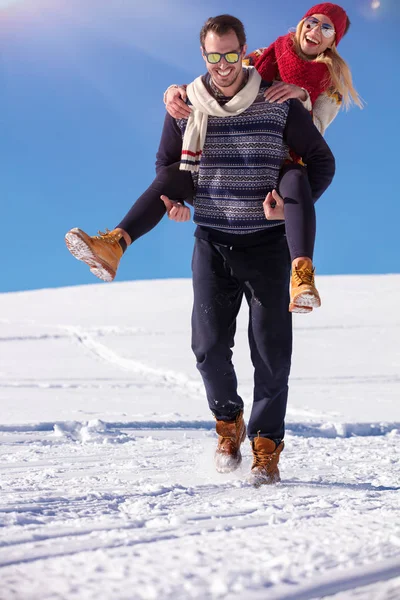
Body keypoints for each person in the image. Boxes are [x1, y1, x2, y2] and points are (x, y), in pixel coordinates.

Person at [65, 3, 359, 313]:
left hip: (278, 164)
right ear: (302, 24)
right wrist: (175, 91)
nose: (315, 31)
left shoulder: (330, 86)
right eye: (312, 22)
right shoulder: (263, 56)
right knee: (174, 174)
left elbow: (315, 133)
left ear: (333, 41)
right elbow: (222, 75)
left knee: (297, 177)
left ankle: (302, 276)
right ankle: (114, 245)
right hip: (230, 159)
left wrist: (301, 96)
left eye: (327, 29)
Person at [154, 14, 335, 485]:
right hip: (212, 241)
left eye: (231, 54)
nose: (223, 64)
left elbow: (321, 160)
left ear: (245, 50)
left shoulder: (277, 101)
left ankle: (266, 446)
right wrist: (177, 200)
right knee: (208, 348)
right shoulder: (189, 105)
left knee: (272, 354)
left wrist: (292, 210)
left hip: (268, 246)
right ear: (203, 56)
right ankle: (228, 420)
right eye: (214, 55)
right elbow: (167, 164)